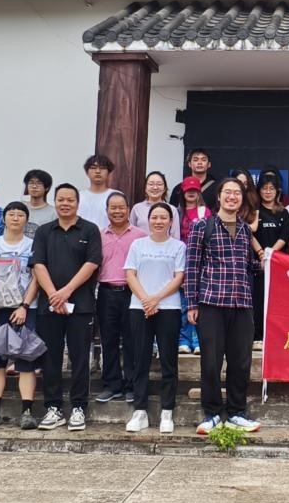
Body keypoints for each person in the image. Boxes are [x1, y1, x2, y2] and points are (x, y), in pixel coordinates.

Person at [186, 177, 262, 435]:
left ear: (242, 198)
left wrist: (264, 263)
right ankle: (213, 414)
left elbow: (247, 265)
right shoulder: (202, 226)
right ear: (218, 197)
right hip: (212, 302)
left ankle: (237, 412)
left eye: (237, 193)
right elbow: (192, 266)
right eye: (227, 192)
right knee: (211, 361)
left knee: (241, 362)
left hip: (242, 303)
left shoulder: (245, 230)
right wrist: (192, 303)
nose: (232, 197)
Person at [31, 183, 102, 431]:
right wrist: (54, 295)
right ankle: (53, 408)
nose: (65, 204)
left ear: (77, 203)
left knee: (79, 358)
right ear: (55, 202)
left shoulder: (90, 230)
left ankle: (79, 407)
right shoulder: (44, 231)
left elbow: (92, 263)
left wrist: (66, 292)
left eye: (70, 200)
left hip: (80, 305)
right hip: (49, 305)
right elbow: (38, 264)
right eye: (60, 199)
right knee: (50, 357)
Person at [0, 200, 41, 430]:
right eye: (11, 214)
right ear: (4, 218)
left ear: (26, 220)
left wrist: (24, 306)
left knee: (26, 360)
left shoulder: (33, 246)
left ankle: (27, 412)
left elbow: (36, 279)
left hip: (25, 309)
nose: (15, 218)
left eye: (20, 215)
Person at [124, 202, 187, 433]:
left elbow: (178, 277)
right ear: (148, 220)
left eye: (163, 217)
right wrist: (145, 300)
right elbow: (130, 274)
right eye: (155, 217)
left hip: (168, 307)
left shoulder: (178, 246)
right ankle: (140, 411)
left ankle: (167, 411)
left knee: (168, 361)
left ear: (171, 221)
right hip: (139, 307)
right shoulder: (137, 244)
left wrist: (156, 299)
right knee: (140, 359)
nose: (158, 221)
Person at [95, 192, 147, 403]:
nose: (117, 211)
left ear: (128, 210)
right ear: (107, 211)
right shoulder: (99, 235)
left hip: (132, 292)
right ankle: (112, 385)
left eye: (121, 207)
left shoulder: (140, 236)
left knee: (132, 340)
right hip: (106, 292)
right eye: (113, 208)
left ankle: (132, 384)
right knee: (108, 340)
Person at [248, 172, 289, 346]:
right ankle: (258, 336)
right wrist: (261, 254)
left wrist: (270, 254)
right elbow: (249, 233)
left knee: (277, 301)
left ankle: (275, 338)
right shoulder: (254, 211)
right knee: (258, 299)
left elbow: (285, 236)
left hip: (278, 263)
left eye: (271, 188)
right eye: (264, 188)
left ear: (277, 191)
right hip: (259, 263)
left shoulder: (283, 213)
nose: (267, 192)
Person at [177, 176, 212, 355]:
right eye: (188, 191)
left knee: (199, 303)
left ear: (199, 192)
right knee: (184, 303)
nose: (191, 193)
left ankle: (198, 340)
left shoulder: (205, 211)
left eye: (194, 190)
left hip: (200, 260)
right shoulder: (177, 212)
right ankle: (184, 340)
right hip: (181, 260)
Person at [130, 171, 180, 238]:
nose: (155, 187)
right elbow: (131, 233)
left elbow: (175, 236)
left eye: (159, 184)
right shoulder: (137, 208)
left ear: (165, 188)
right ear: (145, 188)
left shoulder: (172, 210)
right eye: (151, 184)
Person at [169, 147, 220, 212]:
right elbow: (172, 212)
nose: (199, 163)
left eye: (203, 160)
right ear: (189, 164)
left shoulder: (217, 187)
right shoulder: (179, 188)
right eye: (195, 160)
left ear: (209, 164)